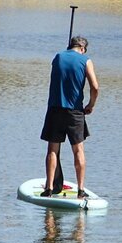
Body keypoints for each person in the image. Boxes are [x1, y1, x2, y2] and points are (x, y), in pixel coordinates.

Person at [39, 36, 99, 197]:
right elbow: (95, 87)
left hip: (55, 109)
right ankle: (80, 190)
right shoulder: (86, 61)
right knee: (78, 150)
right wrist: (90, 105)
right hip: (75, 111)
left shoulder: (58, 57)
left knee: (52, 149)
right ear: (82, 48)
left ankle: (49, 188)